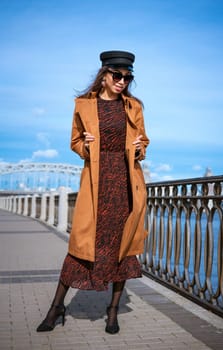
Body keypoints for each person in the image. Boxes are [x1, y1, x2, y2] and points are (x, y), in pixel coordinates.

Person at [36, 50, 150, 334]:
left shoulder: (133, 106)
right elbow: (74, 141)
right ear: (104, 75)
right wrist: (85, 145)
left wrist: (139, 149)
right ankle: (57, 307)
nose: (123, 81)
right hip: (96, 183)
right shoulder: (84, 105)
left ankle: (113, 311)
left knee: (121, 249)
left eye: (127, 77)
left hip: (124, 184)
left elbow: (143, 142)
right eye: (117, 75)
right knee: (80, 248)